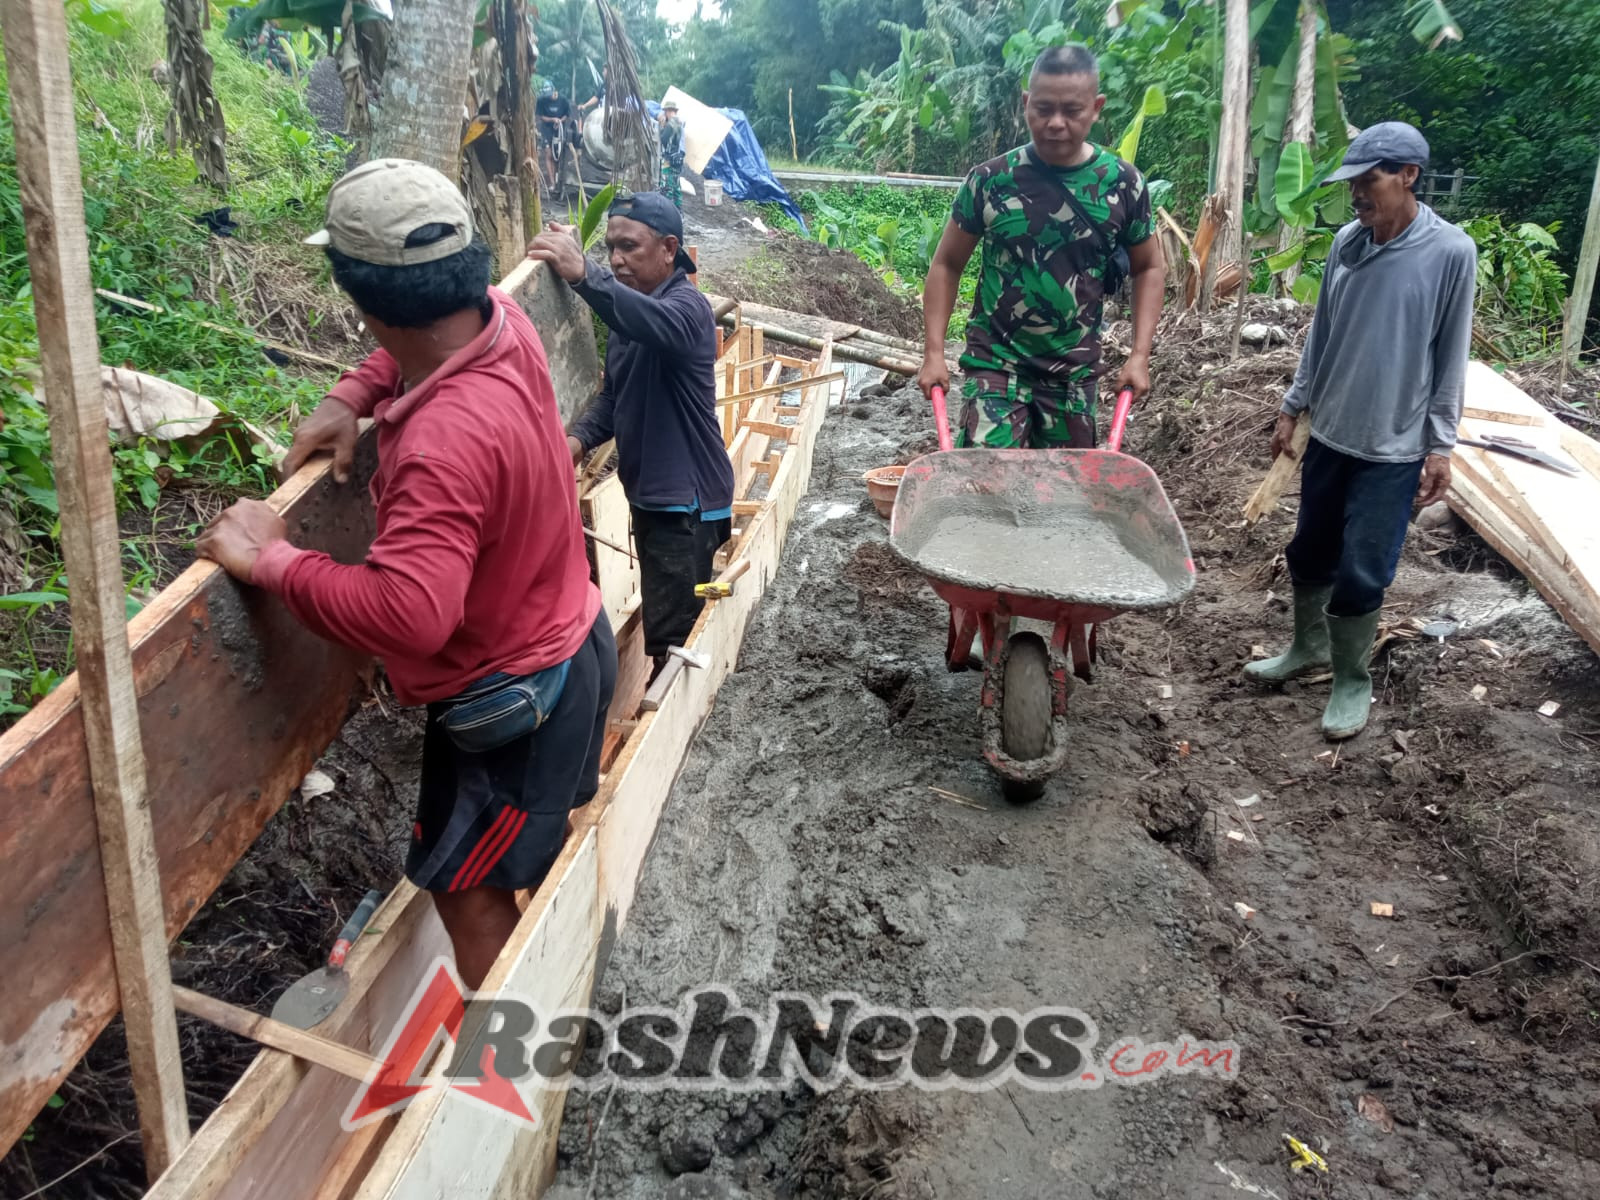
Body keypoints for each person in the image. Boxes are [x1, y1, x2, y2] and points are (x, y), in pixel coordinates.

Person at [195, 159, 617, 988]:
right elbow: (410, 353)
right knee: (521, 850)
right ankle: (552, 992)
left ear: (362, 302)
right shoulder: (500, 322)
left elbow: (411, 614)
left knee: (469, 892)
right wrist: (349, 396)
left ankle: (517, 1076)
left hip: (512, 698)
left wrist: (272, 558)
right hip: (574, 640)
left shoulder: (440, 444)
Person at [1244, 121, 1476, 740]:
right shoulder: (1350, 241)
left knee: (1364, 570)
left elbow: (1451, 355)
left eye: (1368, 179)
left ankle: (1352, 678)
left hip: (1393, 448)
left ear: (1408, 176)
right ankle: (1308, 648)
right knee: (1310, 550)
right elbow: (1321, 334)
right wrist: (1293, 407)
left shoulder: (1450, 252)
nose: (1357, 194)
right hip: (1331, 433)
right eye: (1352, 182)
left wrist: (1441, 445)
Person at [526, 192, 733, 679]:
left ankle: (671, 731)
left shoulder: (687, 309)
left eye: (630, 247)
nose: (616, 258)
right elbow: (613, 401)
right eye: (610, 248)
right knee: (675, 615)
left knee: (677, 642)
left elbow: (651, 324)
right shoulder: (629, 316)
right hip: (652, 498)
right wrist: (572, 444)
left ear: (668, 248)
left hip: (686, 505)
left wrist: (584, 276)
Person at [918, 44, 1164, 449]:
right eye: (1043, 109)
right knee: (986, 491)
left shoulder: (1122, 185)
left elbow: (1149, 267)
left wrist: (1139, 356)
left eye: (1072, 111)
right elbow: (946, 264)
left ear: (1097, 107)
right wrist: (933, 352)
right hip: (995, 366)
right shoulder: (990, 180)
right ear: (1026, 103)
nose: (1055, 123)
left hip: (1073, 375)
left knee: (1063, 502)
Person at [536, 81, 573, 186]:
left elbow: (567, 114)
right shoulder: (542, 100)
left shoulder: (563, 100)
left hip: (559, 130)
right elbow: (541, 116)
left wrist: (560, 121)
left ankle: (557, 179)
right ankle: (552, 182)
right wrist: (552, 119)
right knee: (548, 154)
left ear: (554, 91)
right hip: (546, 129)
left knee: (557, 155)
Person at [658, 100, 687, 209]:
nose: (665, 114)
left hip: (669, 159)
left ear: (669, 111)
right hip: (678, 159)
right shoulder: (680, 123)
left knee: (667, 185)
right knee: (676, 186)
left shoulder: (670, 124)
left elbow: (663, 139)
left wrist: (661, 126)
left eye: (665, 112)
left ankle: (668, 210)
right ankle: (679, 210)